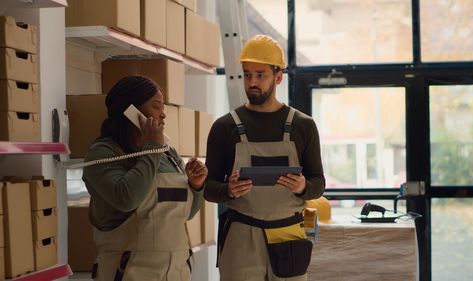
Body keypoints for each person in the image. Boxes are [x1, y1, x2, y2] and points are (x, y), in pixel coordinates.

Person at [204, 35, 325, 281]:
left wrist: (303, 187)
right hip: (241, 236)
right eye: (248, 74)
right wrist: (229, 190)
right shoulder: (224, 127)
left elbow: (318, 183)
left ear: (278, 77)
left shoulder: (303, 126)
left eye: (261, 75)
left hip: (289, 234)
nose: (252, 82)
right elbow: (207, 188)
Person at [82, 75, 207, 281]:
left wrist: (196, 186)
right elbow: (127, 198)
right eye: (156, 107)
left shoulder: (169, 154)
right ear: (132, 111)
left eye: (163, 107)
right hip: (128, 272)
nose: (163, 114)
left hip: (176, 272)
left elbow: (183, 214)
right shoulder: (103, 153)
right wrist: (152, 148)